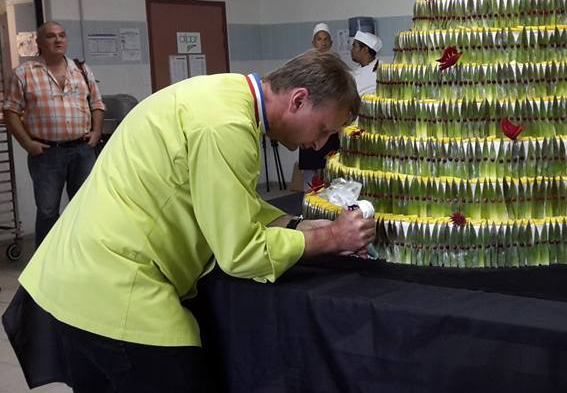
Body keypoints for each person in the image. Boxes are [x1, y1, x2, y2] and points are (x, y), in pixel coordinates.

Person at [8, 50, 375, 392]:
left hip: (66, 279)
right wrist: (330, 239)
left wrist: (293, 224)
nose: (320, 144)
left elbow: (228, 199)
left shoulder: (221, 95)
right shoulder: (226, 127)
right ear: (298, 100)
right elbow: (241, 253)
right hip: (113, 288)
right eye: (325, 129)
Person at [2, 21, 104, 247]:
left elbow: (97, 104)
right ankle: (44, 266)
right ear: (39, 42)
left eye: (62, 35)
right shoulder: (24, 73)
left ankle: (82, 254)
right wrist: (28, 144)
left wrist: (96, 132)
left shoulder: (81, 70)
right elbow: (10, 111)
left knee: (85, 206)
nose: (58, 40)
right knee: (48, 210)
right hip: (47, 154)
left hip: (82, 150)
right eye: (50, 36)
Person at [299, 22, 339, 191]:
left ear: (330, 43)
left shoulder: (337, 67)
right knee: (310, 174)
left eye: (325, 39)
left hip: (330, 126)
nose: (322, 43)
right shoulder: (304, 67)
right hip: (308, 125)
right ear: (313, 43)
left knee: (331, 170)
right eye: (318, 39)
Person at [350, 30, 381, 97]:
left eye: (354, 46)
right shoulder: (356, 70)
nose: (351, 50)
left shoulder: (381, 70)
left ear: (365, 50)